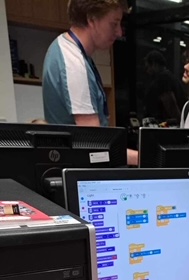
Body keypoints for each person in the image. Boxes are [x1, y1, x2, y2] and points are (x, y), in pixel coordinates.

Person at [42, 0, 137, 165]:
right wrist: (145, 158)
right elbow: (95, 144)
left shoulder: (62, 47)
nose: (119, 32)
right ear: (92, 19)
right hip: (80, 170)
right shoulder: (74, 64)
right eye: (114, 24)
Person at [142, 50, 186, 125]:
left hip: (164, 125)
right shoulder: (171, 78)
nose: (147, 71)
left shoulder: (162, 79)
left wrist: (178, 123)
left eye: (147, 67)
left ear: (154, 64)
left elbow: (170, 103)